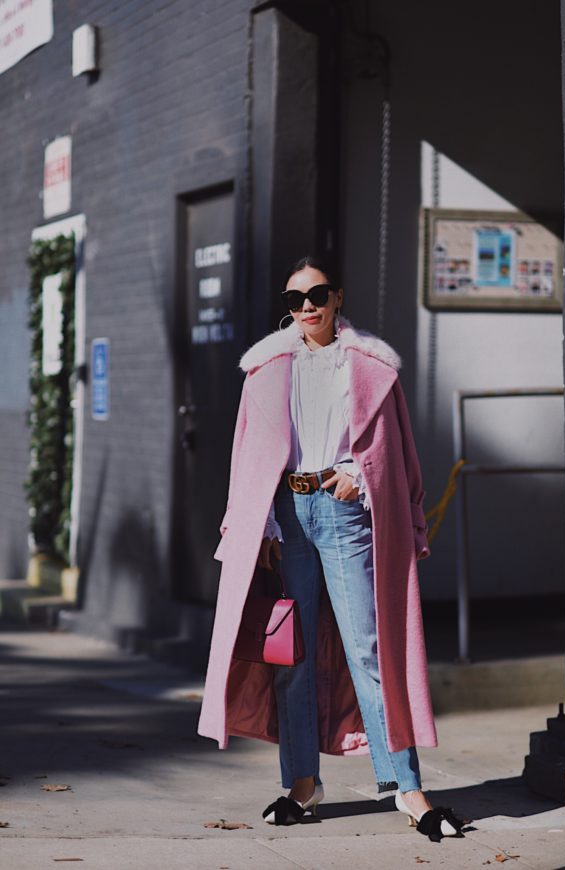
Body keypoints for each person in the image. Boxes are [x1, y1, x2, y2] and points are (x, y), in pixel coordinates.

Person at [197, 255, 465, 842]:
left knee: (369, 650)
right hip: (288, 517)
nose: (307, 307)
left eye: (317, 295)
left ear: (338, 297)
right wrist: (260, 523)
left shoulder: (369, 365)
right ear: (286, 308)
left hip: (345, 513)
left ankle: (406, 787)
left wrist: (358, 474)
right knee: (291, 656)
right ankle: (302, 785)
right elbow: (247, 452)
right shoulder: (266, 367)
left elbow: (399, 451)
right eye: (295, 300)